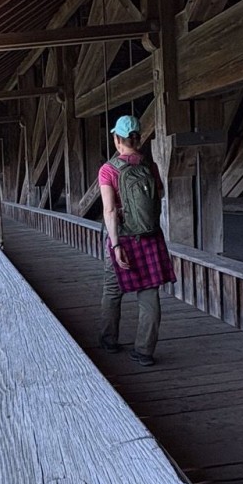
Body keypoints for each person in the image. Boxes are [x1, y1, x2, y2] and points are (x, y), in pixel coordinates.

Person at [98, 114, 175, 366]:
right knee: (149, 293)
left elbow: (109, 210)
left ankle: (109, 341)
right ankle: (144, 351)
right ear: (137, 139)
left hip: (124, 236)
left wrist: (116, 243)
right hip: (150, 237)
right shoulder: (149, 166)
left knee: (112, 289)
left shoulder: (108, 170)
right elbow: (159, 194)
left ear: (116, 139)